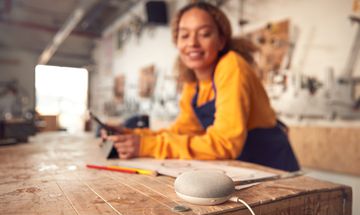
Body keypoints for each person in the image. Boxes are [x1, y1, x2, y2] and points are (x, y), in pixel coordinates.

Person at [102, 2, 300, 172]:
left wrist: (147, 146)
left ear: (221, 40)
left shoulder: (232, 65)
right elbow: (183, 132)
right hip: (243, 170)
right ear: (177, 42)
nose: (193, 43)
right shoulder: (193, 84)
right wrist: (129, 135)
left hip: (273, 169)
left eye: (204, 34)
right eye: (184, 35)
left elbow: (225, 144)